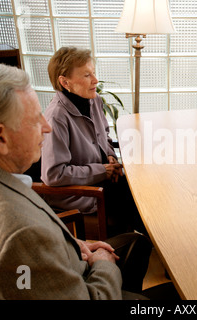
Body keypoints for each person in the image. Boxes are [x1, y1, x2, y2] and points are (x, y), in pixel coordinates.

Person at [0, 61, 152, 299]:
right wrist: (104, 264)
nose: (47, 127)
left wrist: (71, 244)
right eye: (36, 119)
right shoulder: (20, 231)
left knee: (137, 244)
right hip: (85, 286)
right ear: (0, 137)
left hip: (60, 268)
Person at [41, 47, 144, 236]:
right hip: (78, 192)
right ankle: (156, 247)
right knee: (135, 200)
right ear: (65, 82)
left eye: (94, 73)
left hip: (100, 180)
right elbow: (53, 175)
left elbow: (104, 134)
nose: (95, 80)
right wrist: (102, 171)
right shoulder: (56, 118)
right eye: (87, 75)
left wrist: (111, 157)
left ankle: (157, 244)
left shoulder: (93, 100)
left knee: (143, 186)